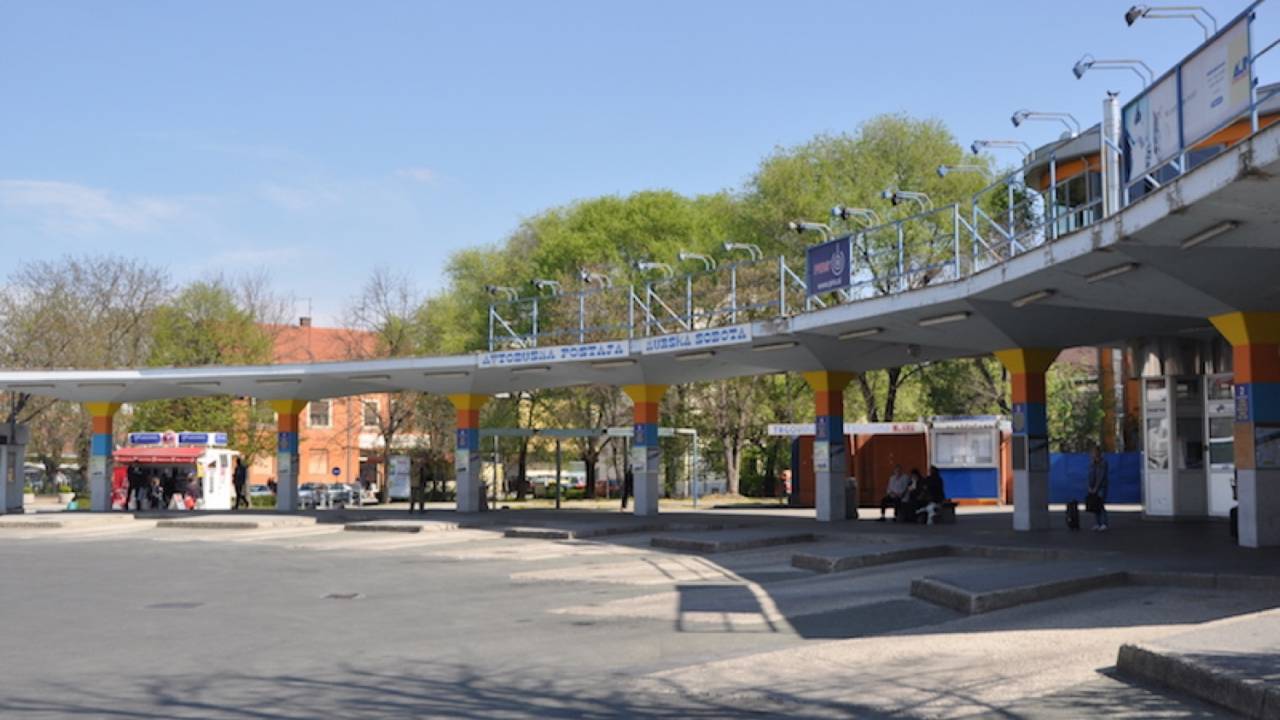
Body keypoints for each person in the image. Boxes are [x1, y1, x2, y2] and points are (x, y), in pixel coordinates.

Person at [1087, 446, 1109, 531]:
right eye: (1092, 452)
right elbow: (1089, 475)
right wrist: (1089, 486)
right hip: (1092, 486)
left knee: (1100, 504)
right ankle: (1097, 523)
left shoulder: (1103, 463)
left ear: (1098, 453)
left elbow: (1101, 476)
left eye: (1094, 452)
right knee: (1095, 505)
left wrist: (1096, 487)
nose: (1092, 454)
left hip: (1101, 487)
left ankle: (1104, 523)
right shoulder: (1092, 463)